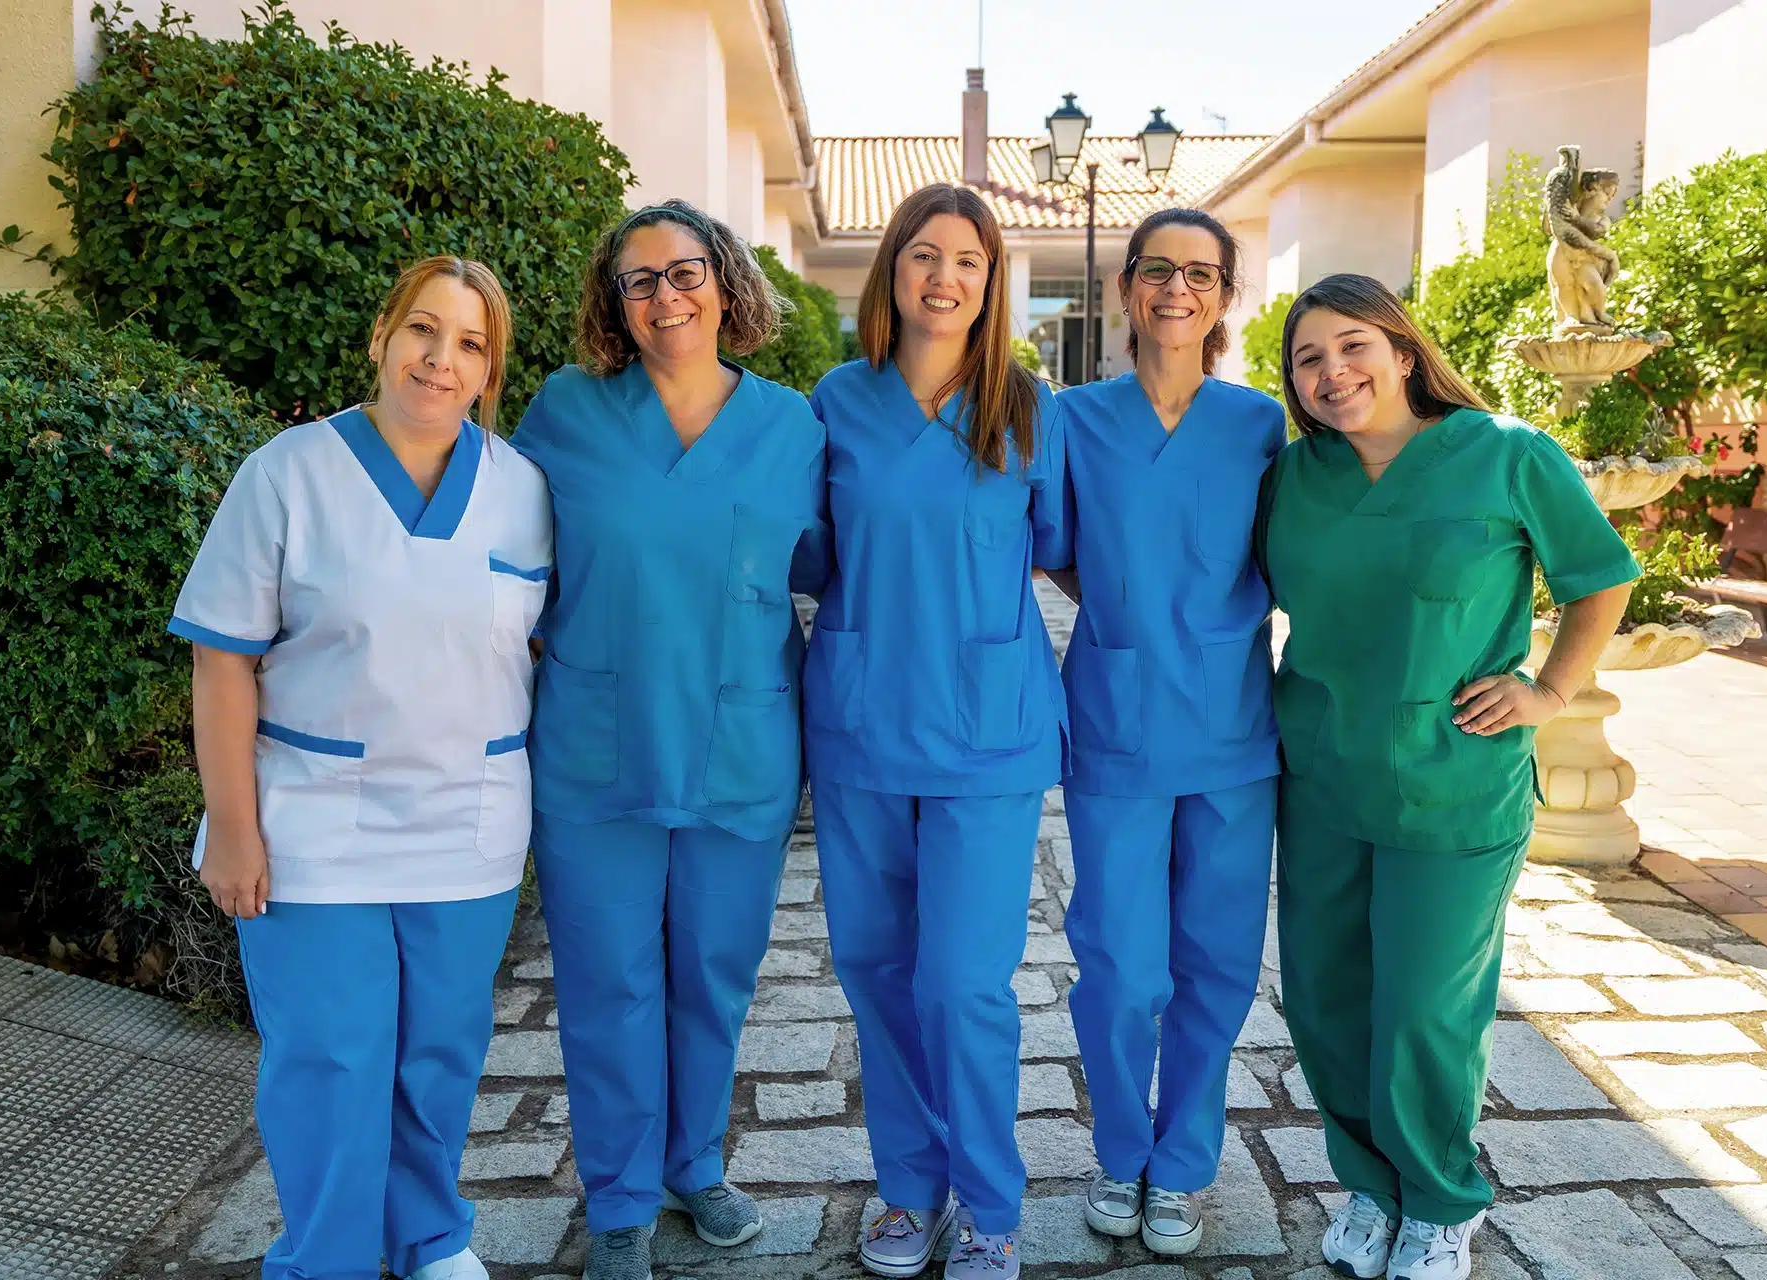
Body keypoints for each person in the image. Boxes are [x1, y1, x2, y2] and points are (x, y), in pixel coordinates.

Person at [174, 256, 549, 1280]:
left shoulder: (522, 492)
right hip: (312, 826)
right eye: (423, 329)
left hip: (467, 823)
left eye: (470, 343)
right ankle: (325, 1256)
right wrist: (234, 824)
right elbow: (222, 659)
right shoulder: (290, 472)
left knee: (437, 1053)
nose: (441, 357)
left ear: (490, 370)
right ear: (382, 335)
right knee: (332, 1059)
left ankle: (427, 1235)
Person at [1261, 274, 1637, 1280]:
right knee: (1326, 997)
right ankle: (1371, 1184)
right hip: (1324, 775)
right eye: (1308, 359)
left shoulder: (1506, 455)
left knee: (1426, 1005)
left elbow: (1601, 578)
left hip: (1455, 783)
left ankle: (1438, 1199)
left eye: (1352, 346)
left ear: (1401, 348)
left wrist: (1550, 690)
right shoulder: (1295, 476)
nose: (1332, 371)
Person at [508, 200, 828, 1280]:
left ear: (726, 281)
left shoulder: (792, 427)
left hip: (740, 741)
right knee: (607, 979)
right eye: (637, 282)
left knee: (714, 971)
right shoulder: (564, 413)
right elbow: (498, 561)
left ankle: (694, 1159)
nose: (664, 297)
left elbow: (831, 567)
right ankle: (618, 1199)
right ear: (615, 305)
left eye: (683, 272)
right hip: (598, 748)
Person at [805, 183, 1069, 1280]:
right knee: (875, 966)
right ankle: (909, 1188)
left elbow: (1057, 547)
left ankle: (991, 1201)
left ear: (992, 278)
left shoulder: (1026, 405)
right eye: (923, 254)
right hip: (863, 719)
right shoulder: (833, 399)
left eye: (967, 258)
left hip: (986, 732)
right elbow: (806, 549)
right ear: (891, 271)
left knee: (962, 978)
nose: (944, 277)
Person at [1047, 209, 1285, 1257]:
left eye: (1200, 273)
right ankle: (1118, 1148)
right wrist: (1123, 617)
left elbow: (1296, 550)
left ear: (1224, 294)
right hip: (1116, 720)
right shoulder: (1074, 419)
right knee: (1119, 959)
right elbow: (1054, 547)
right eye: (1158, 270)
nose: (1177, 289)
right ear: (1127, 288)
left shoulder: (1261, 424)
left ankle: (1182, 1164)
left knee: (1219, 960)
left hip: (1234, 724)